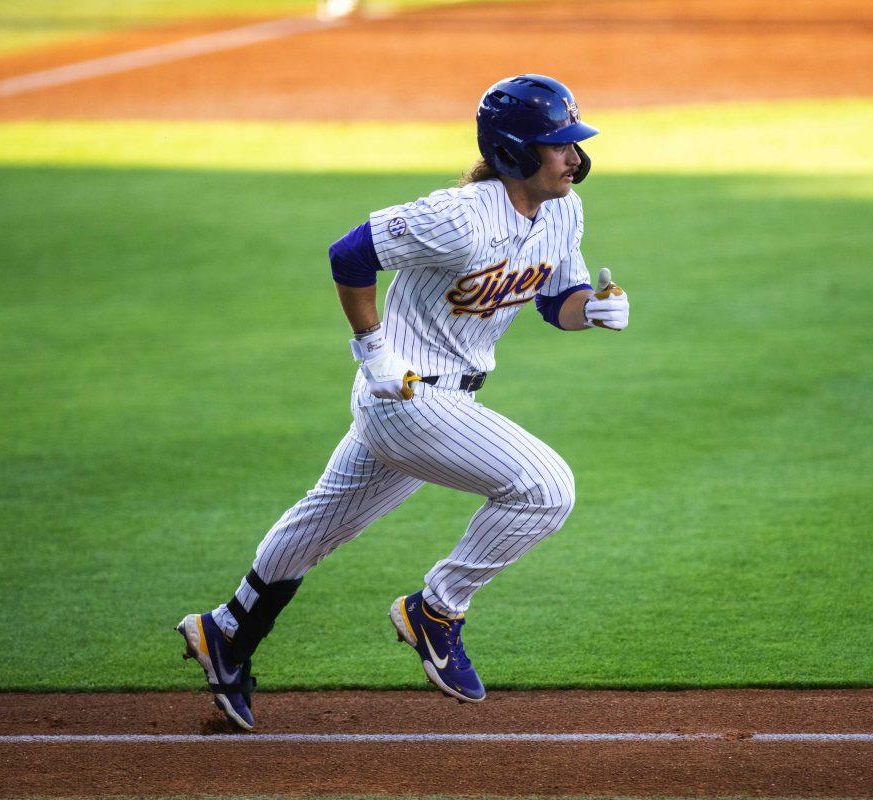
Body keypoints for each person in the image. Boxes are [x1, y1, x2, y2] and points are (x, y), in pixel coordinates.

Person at [176, 74, 630, 730]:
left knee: (318, 528)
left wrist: (594, 311)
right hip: (408, 397)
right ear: (512, 154)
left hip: (435, 405)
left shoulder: (563, 211)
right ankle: (437, 609)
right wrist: (373, 350)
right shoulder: (461, 216)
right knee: (546, 488)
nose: (574, 158)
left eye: (574, 145)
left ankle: (227, 633)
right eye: (557, 146)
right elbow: (350, 253)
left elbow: (555, 300)